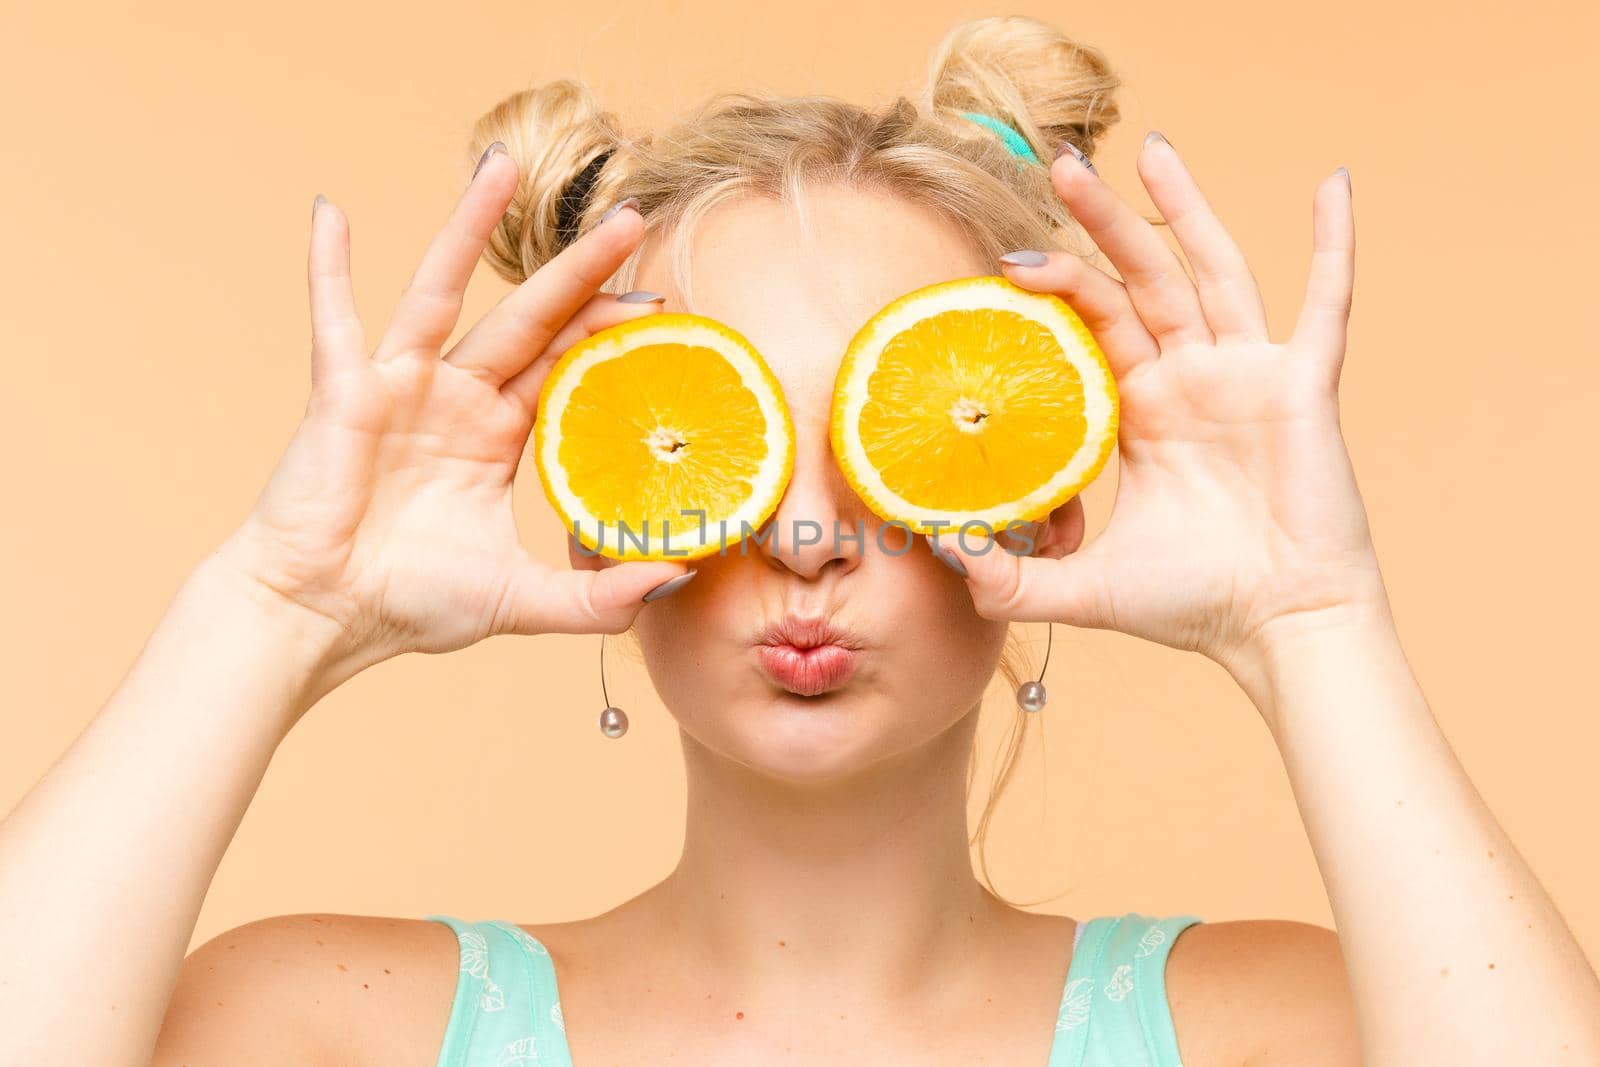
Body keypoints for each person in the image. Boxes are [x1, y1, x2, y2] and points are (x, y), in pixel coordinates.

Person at [3, 14, 1596, 1067]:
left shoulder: (1284, 1029)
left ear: (1048, 495)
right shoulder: (332, 1028)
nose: (813, 531)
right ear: (598, 487)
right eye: (723, 435)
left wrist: (1313, 618)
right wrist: (273, 605)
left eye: (897, 435)